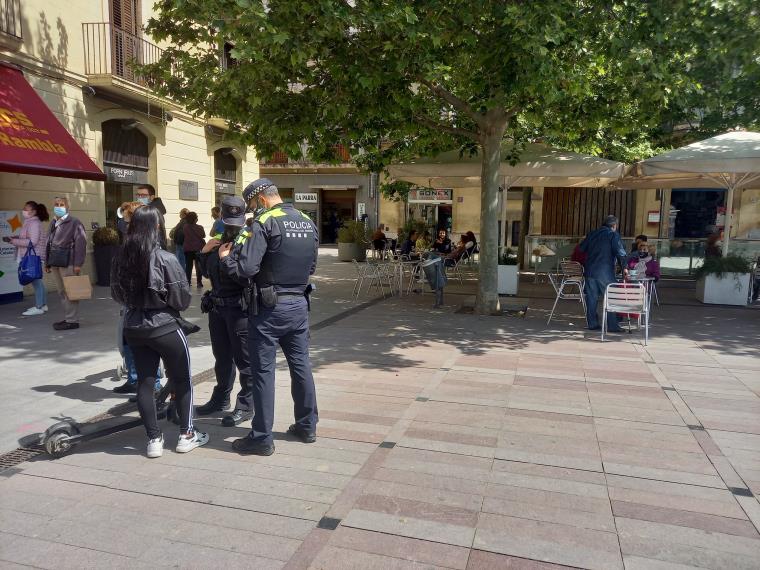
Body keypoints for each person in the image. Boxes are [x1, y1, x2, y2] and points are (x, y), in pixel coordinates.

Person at [220, 178, 318, 456]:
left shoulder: (265, 223)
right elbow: (312, 265)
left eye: (252, 205)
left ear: (261, 199)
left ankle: (262, 437)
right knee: (301, 366)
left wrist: (227, 260)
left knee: (263, 372)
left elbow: (246, 269)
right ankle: (307, 425)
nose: (252, 211)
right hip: (299, 304)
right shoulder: (306, 221)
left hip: (268, 308)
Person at [110, 205, 207, 458]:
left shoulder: (121, 256)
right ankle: (187, 434)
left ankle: (154, 439)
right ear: (157, 227)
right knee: (183, 379)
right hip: (164, 326)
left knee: (145, 381)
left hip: (134, 327)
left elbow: (115, 293)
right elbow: (182, 299)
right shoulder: (165, 258)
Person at [196, 196, 254, 426]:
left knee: (245, 361)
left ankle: (246, 405)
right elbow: (208, 275)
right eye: (228, 220)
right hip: (218, 308)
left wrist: (226, 259)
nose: (230, 226)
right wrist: (204, 252)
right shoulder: (217, 243)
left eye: (235, 222)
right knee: (222, 358)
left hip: (240, 309)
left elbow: (245, 277)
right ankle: (221, 398)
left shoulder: (250, 243)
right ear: (221, 216)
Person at [112, 202, 164, 396]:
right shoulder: (128, 241)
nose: (124, 224)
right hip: (130, 301)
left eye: (127, 220)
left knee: (148, 344)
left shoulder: (151, 242)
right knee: (127, 341)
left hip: (146, 302)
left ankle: (154, 384)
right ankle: (134, 378)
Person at [45, 196, 87, 331]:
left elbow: (81, 243)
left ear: (68, 207)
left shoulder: (75, 222)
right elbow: (48, 243)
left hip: (68, 262)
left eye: (62, 204)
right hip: (55, 261)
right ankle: (69, 317)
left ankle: (72, 320)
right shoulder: (53, 222)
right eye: (56, 204)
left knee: (71, 291)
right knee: (62, 292)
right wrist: (47, 262)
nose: (58, 207)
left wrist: (78, 264)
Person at [579, 215, 628, 332]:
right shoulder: (613, 234)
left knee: (591, 298)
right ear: (614, 226)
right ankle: (612, 326)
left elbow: (581, 248)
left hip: (590, 270)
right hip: (604, 271)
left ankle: (593, 324)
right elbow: (620, 252)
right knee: (611, 296)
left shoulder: (592, 234)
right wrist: (624, 268)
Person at [4, 201, 49, 316]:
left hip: (32, 256)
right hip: (33, 255)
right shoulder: (30, 222)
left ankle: (39, 307)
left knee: (35, 281)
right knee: (37, 281)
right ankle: (43, 305)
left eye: (26, 208)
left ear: (33, 211)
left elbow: (32, 241)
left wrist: (13, 241)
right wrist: (15, 238)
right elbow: (28, 237)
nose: (23, 210)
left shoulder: (33, 223)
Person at [182, 212, 205, 287]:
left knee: (188, 266)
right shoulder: (200, 227)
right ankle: (199, 282)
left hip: (188, 248)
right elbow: (203, 235)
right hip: (198, 248)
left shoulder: (185, 227)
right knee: (198, 266)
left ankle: (188, 282)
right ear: (195, 219)